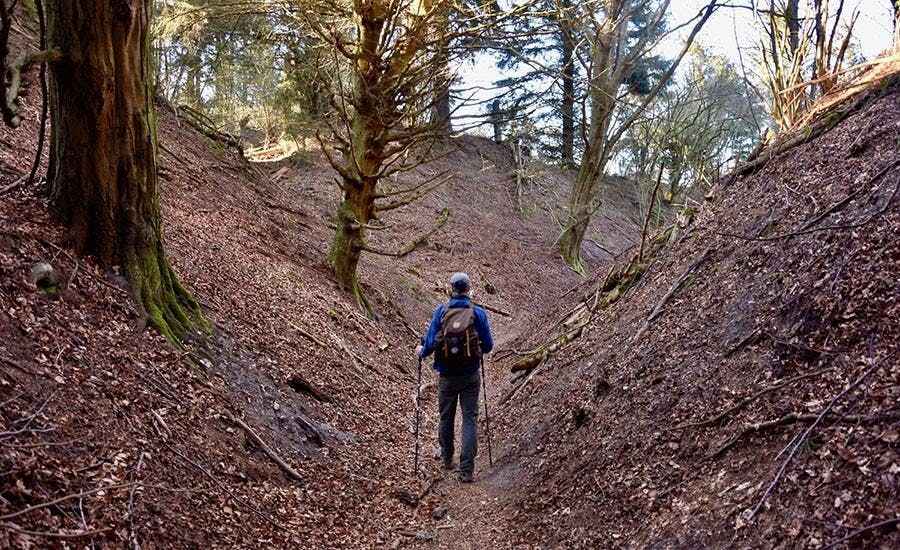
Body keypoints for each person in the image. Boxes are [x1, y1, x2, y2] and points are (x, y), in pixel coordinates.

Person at [416, 272, 493, 483]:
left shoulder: (441, 311)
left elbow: (430, 344)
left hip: (446, 375)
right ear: (468, 289)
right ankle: (467, 470)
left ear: (451, 289)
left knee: (446, 416)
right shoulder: (478, 313)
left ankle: (447, 458)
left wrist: (420, 351)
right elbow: (488, 346)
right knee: (469, 419)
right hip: (470, 375)